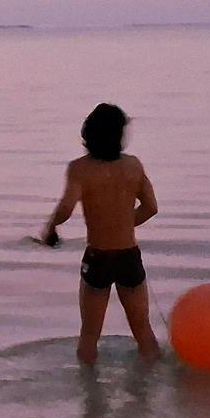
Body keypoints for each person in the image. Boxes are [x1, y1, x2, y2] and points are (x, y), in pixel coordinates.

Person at [41, 102, 161, 364]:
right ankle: (150, 383)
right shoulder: (133, 166)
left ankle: (89, 389)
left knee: (89, 335)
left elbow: (65, 209)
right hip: (129, 257)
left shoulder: (79, 169)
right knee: (143, 331)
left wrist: (51, 228)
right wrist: (124, 225)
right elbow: (151, 207)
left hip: (98, 258)